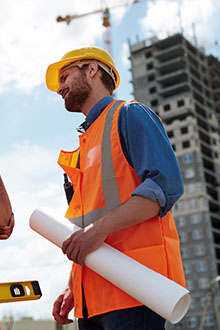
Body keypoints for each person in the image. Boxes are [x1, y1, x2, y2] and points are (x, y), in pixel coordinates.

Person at [45, 47, 186, 330]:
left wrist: (96, 232)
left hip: (135, 290)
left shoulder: (129, 115)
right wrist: (73, 285)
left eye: (65, 75)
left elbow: (164, 187)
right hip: (92, 300)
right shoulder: (85, 145)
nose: (59, 87)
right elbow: (84, 227)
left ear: (92, 70)